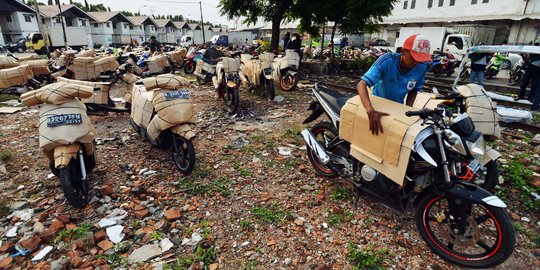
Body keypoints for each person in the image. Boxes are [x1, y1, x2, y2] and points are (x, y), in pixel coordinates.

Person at [356, 34, 431, 135]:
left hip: (397, 107)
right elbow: (361, 85)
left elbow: (414, 90)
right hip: (378, 105)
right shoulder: (387, 61)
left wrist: (408, 110)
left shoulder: (421, 67)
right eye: (414, 59)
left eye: (420, 60)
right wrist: (370, 110)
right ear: (404, 52)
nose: (416, 63)